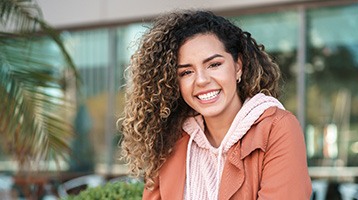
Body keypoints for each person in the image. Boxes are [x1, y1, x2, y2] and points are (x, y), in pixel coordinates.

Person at [119, 9, 312, 199]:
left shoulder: (276, 128)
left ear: (238, 66)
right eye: (186, 72)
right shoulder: (171, 139)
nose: (201, 80)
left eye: (214, 64)